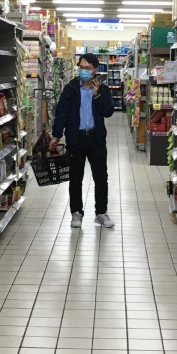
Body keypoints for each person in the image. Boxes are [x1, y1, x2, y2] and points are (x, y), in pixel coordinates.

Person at [50, 53, 115, 228]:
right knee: (75, 177)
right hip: (75, 139)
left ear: (95, 69)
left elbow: (108, 111)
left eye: (87, 68)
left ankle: (101, 213)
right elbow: (61, 113)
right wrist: (56, 135)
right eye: (81, 67)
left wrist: (96, 95)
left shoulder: (103, 90)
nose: (83, 71)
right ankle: (76, 213)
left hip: (96, 139)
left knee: (101, 177)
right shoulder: (70, 89)